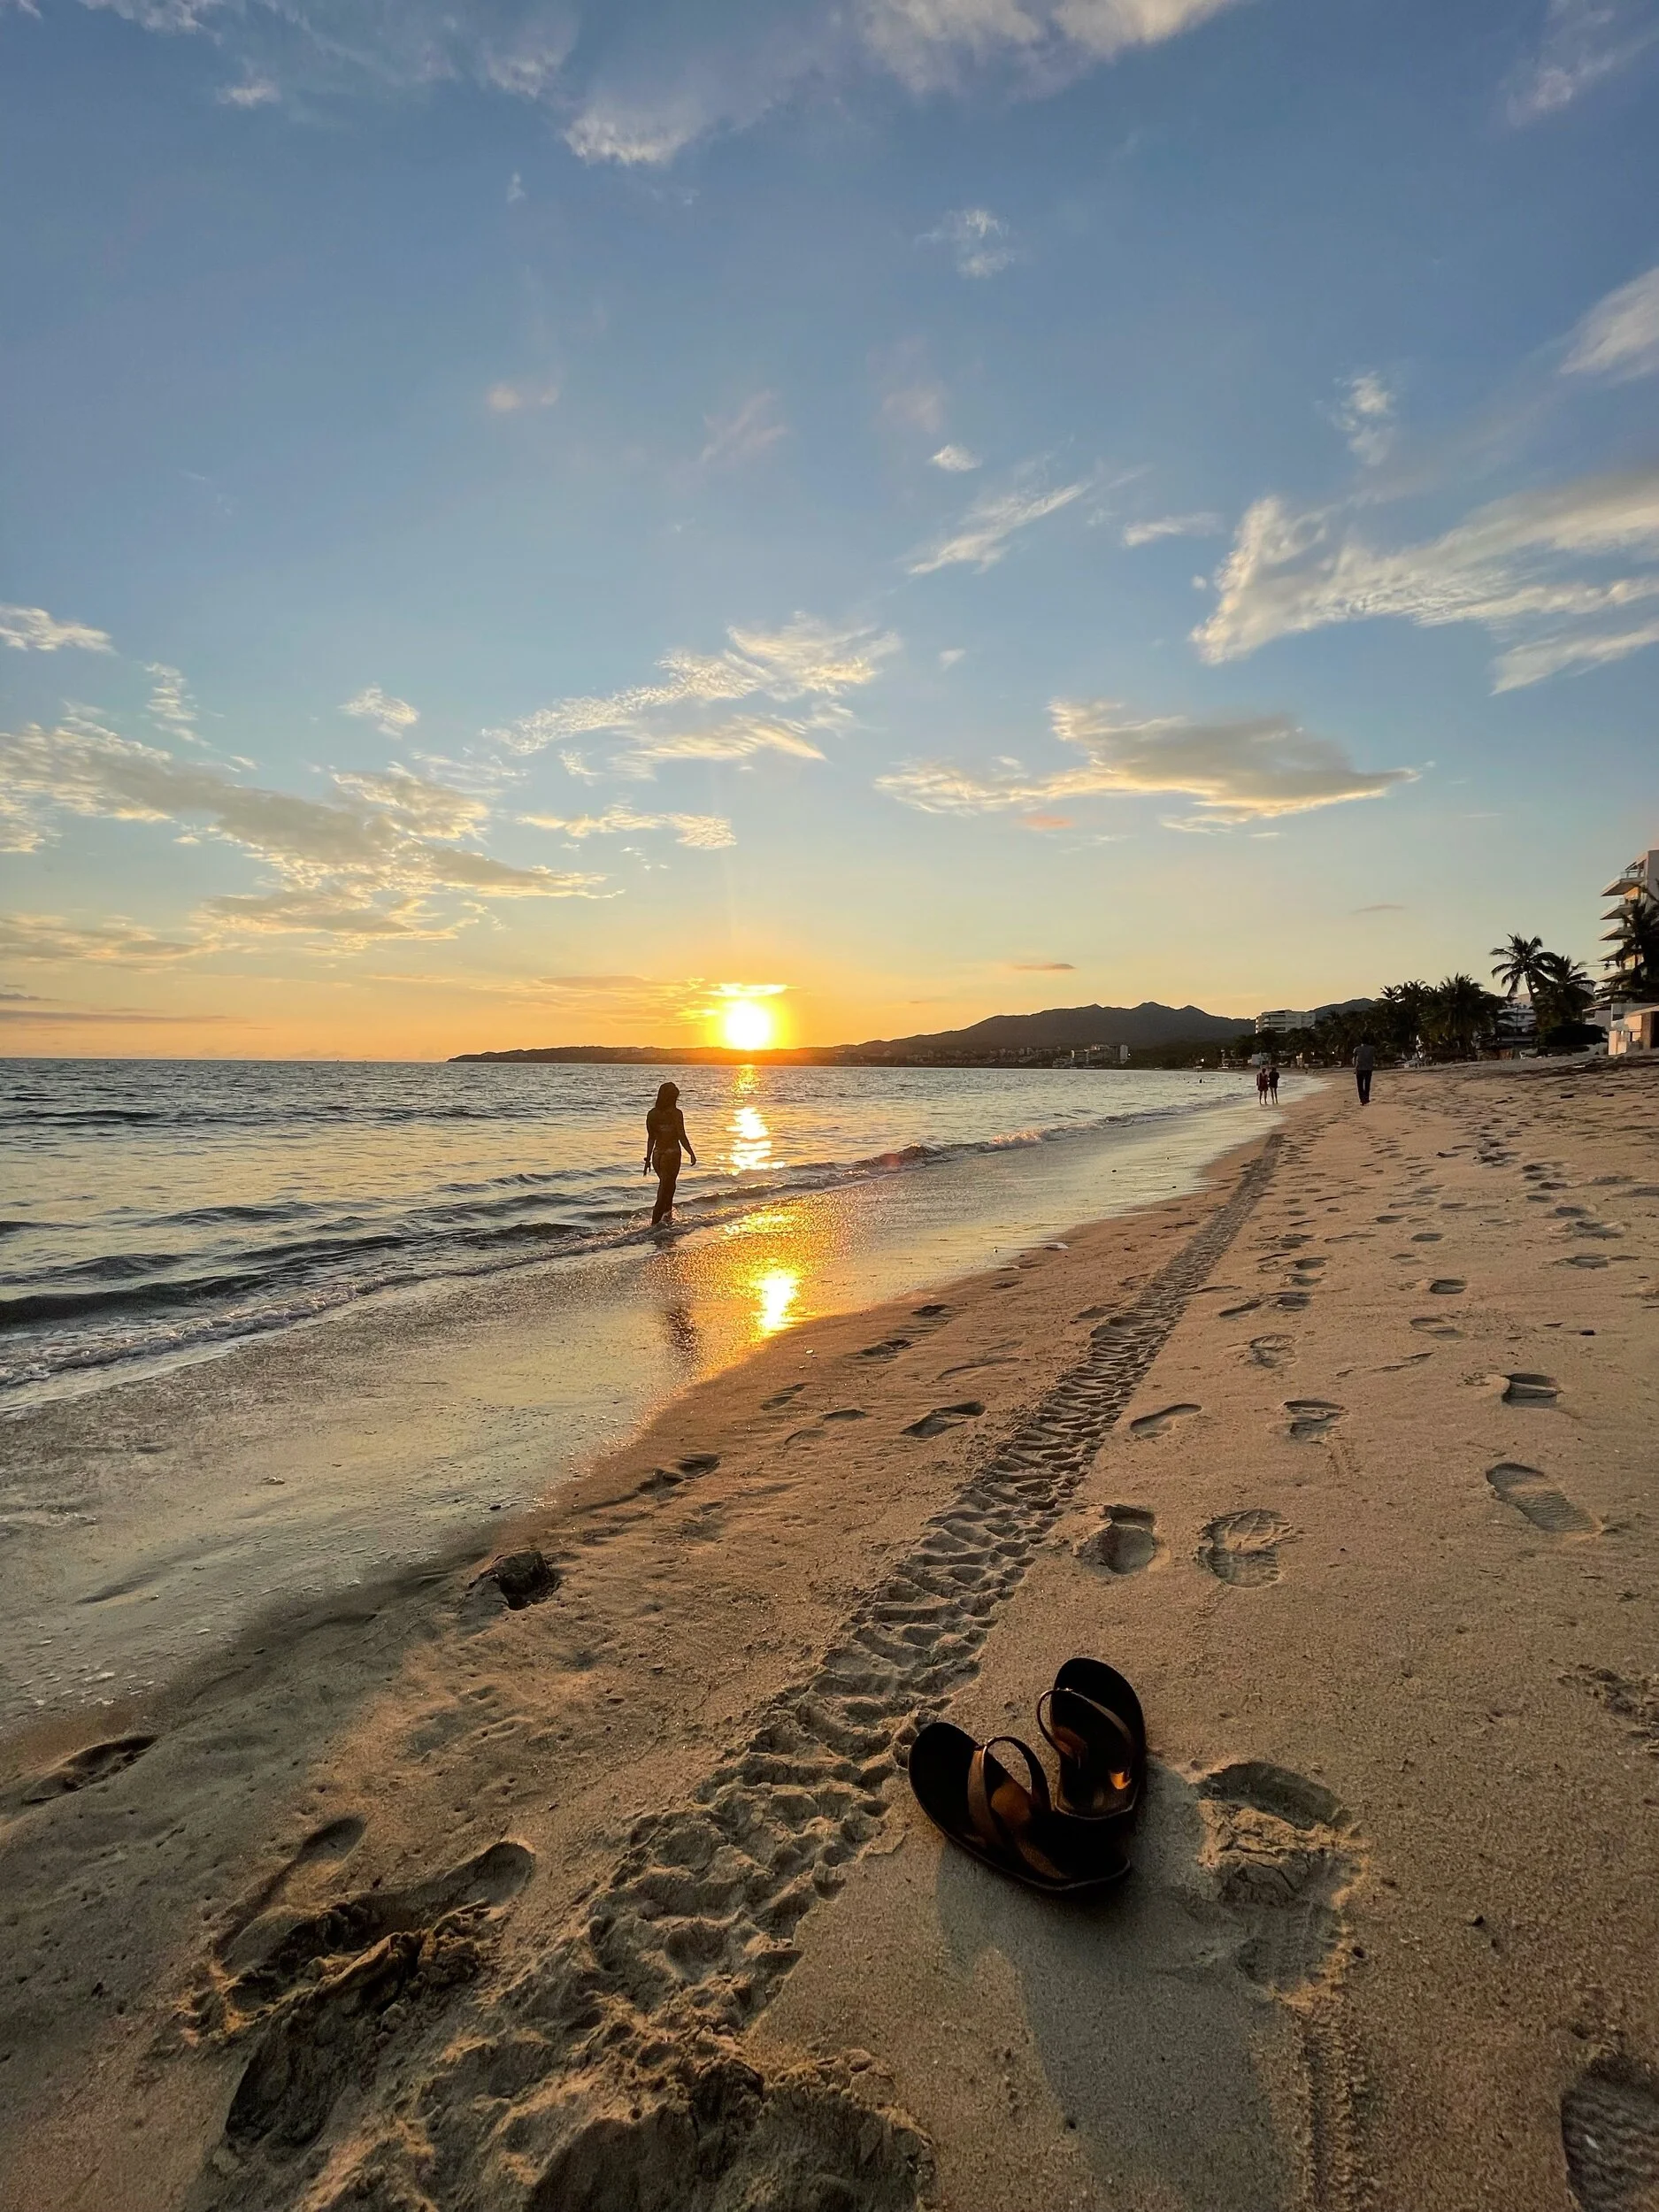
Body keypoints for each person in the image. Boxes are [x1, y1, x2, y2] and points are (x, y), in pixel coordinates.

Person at [643, 1080, 696, 1227]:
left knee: (668, 1188)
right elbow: (681, 1135)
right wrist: (691, 1153)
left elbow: (651, 1138)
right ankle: (654, 1226)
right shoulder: (676, 1113)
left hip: (657, 1155)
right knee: (665, 1191)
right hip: (671, 1155)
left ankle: (667, 1222)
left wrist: (648, 1160)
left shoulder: (652, 1114)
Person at [1352, 1035, 1375, 1106]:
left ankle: (1362, 1099)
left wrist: (1355, 1068)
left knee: (1360, 1085)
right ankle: (1366, 1098)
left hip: (1360, 1069)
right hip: (1368, 1069)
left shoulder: (1357, 1049)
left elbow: (1355, 1060)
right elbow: (1373, 1059)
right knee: (1367, 1085)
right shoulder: (1372, 1049)